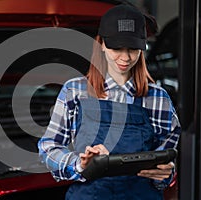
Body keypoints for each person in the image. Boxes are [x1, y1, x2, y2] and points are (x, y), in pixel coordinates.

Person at [37, 4, 181, 200]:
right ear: (102, 44)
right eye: (117, 48)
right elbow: (48, 148)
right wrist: (80, 163)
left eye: (132, 49)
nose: (125, 57)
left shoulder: (158, 99)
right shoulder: (75, 91)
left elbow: (165, 161)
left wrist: (165, 174)